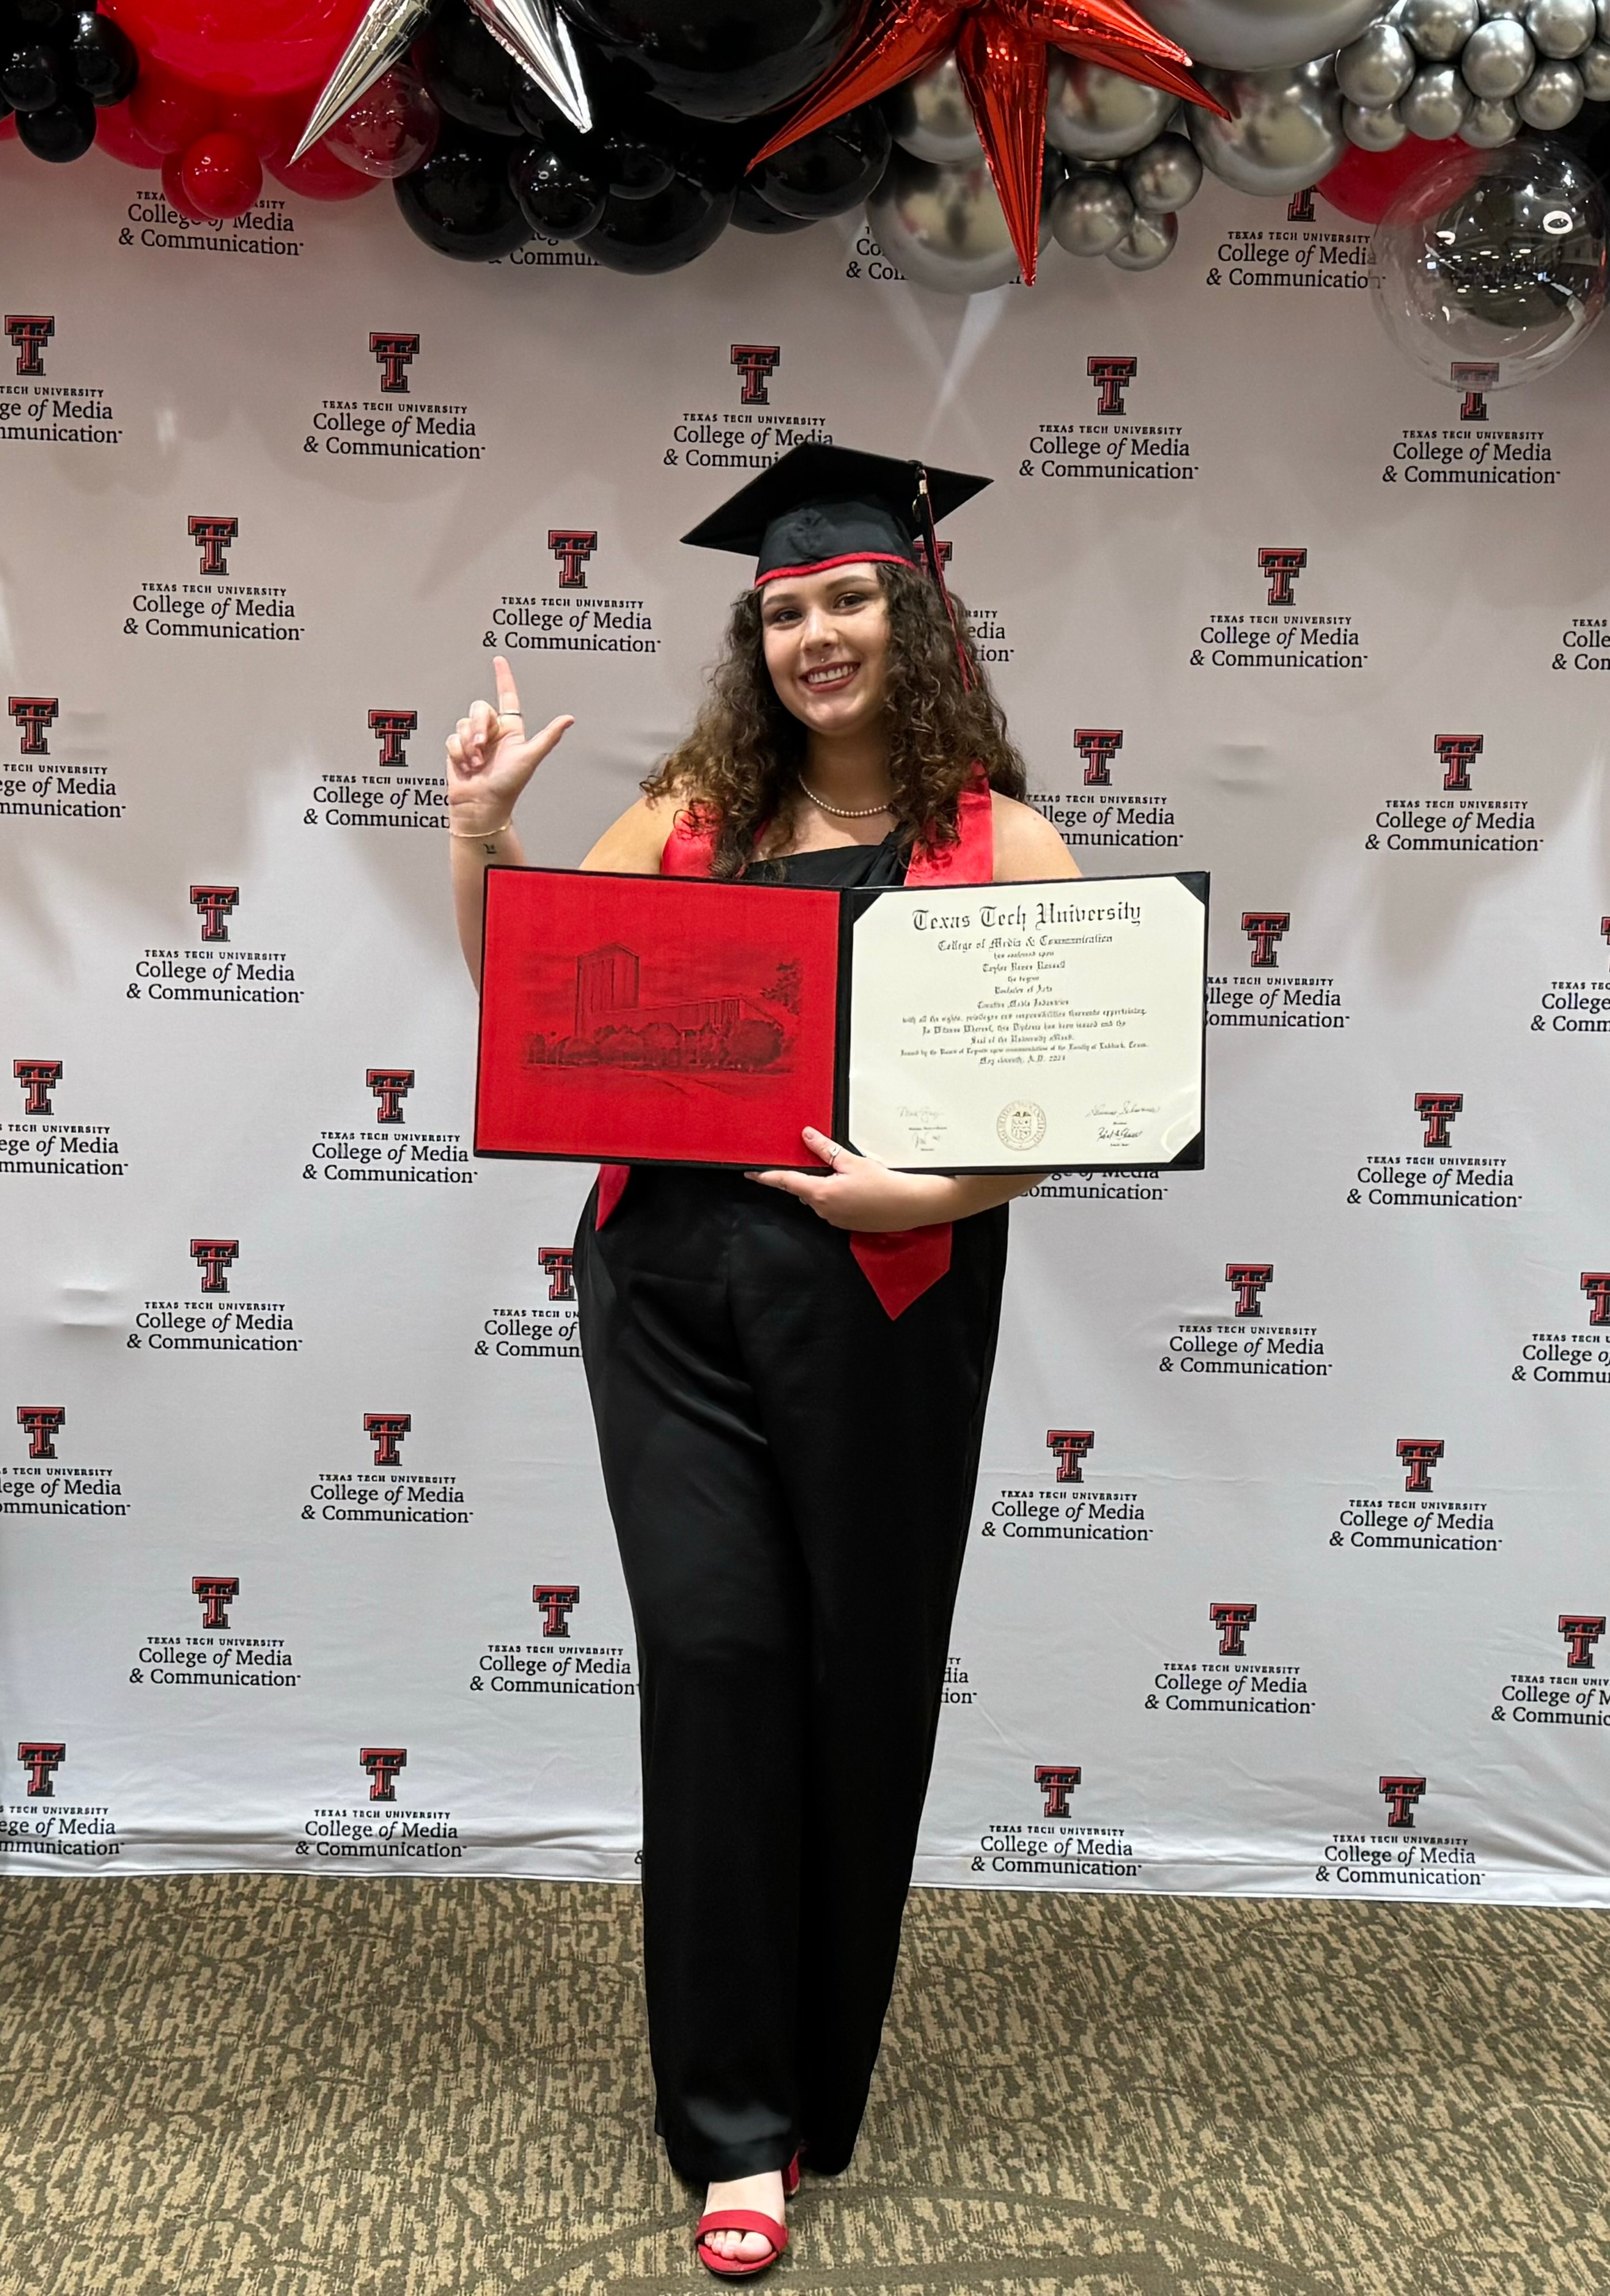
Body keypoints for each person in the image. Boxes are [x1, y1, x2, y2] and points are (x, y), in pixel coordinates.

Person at [442, 447, 1081, 2280]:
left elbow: (1074, 1098)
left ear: (918, 615)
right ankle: (731, 2131)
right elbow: (534, 995)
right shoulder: (693, 807)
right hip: (669, 1283)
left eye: (847, 598)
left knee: (854, 1679)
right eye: (784, 608)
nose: (813, 632)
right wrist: (482, 835)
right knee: (716, 1663)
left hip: (885, 1287)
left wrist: (934, 1190)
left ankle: (816, 2088)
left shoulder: (997, 841)